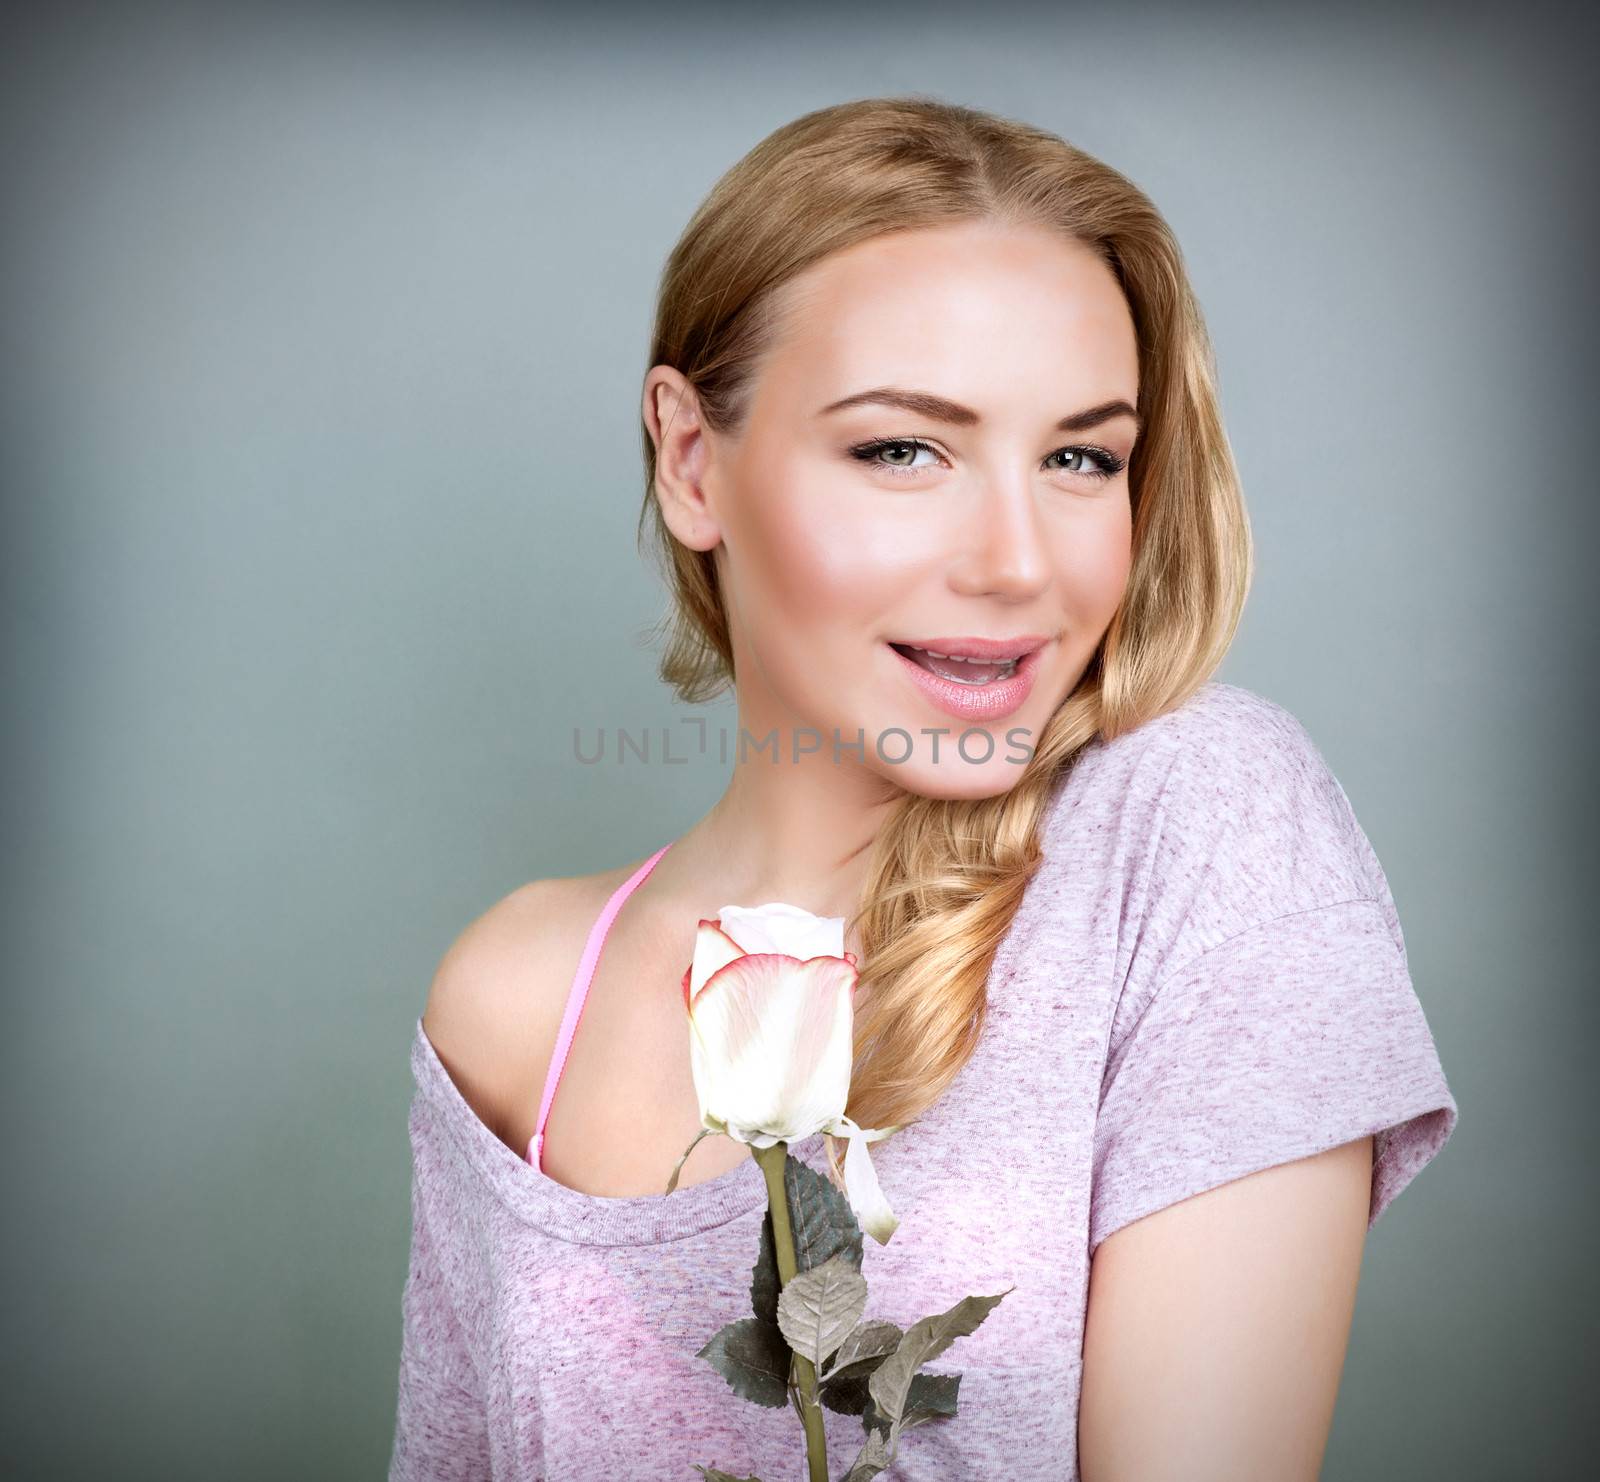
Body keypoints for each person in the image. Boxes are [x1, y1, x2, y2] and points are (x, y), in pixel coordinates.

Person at [387, 96, 1457, 1481]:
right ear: (691, 458)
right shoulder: (515, 998)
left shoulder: (1199, 828)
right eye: (905, 448)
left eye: (1083, 457)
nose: (1019, 559)